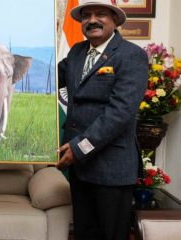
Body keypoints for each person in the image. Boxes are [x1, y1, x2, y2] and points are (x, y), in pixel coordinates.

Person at [57, 0, 148, 239]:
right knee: (84, 233)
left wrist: (79, 148)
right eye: (86, 15)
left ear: (115, 20)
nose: (92, 20)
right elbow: (48, 79)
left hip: (112, 168)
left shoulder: (132, 55)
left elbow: (119, 114)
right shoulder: (76, 51)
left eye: (101, 14)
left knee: (111, 235)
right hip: (81, 168)